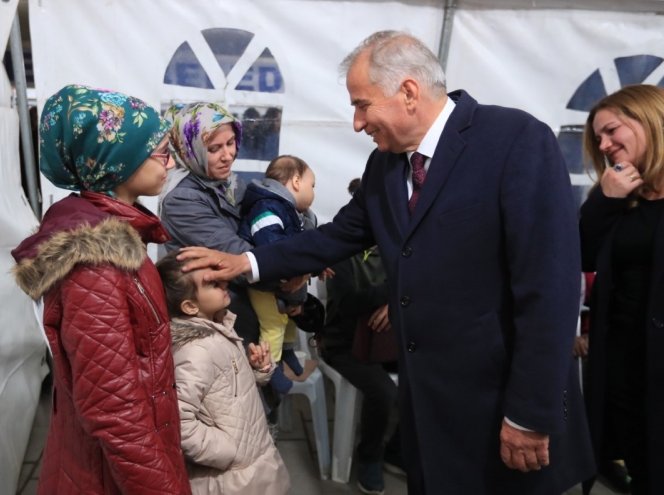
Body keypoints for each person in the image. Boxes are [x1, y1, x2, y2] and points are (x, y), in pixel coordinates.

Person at [179, 31, 595, 494]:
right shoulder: (387, 164)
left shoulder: (514, 141)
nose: (357, 123)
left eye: (362, 105)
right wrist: (249, 263)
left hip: (500, 406)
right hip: (427, 405)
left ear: (409, 92)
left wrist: (530, 412)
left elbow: (549, 287)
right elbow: (337, 236)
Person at [11, 85, 191, 495]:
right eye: (160, 150)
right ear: (118, 158)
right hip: (105, 478)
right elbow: (114, 410)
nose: (170, 161)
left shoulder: (117, 237)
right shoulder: (95, 264)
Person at [579, 84, 664, 495]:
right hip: (625, 370)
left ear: (649, 119)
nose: (605, 145)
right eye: (598, 139)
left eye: (611, 131)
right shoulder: (618, 197)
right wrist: (605, 201)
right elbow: (579, 256)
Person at [156, 252, 291, 495]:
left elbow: (230, 393)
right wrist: (228, 451)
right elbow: (178, 422)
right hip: (231, 480)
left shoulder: (220, 329)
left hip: (253, 465)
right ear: (190, 306)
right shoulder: (195, 351)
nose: (225, 283)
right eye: (214, 284)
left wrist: (258, 370)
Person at [321, 177, 402, 495]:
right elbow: (348, 304)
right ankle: (370, 456)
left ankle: (397, 452)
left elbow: (426, 292)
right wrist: (393, 293)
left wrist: (394, 305)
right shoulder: (341, 253)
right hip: (343, 344)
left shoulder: (398, 251)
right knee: (383, 392)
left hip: (385, 341)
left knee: (428, 377)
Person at [158, 102, 261, 347]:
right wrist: (289, 272)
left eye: (230, 142)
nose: (228, 155)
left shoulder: (228, 183)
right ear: (189, 150)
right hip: (213, 318)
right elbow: (234, 253)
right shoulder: (182, 200)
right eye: (214, 148)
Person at [237, 155, 318, 395]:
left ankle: (288, 350)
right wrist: (299, 265)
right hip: (263, 283)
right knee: (272, 324)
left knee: (288, 317)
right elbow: (271, 244)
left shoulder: (287, 209)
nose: (313, 192)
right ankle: (270, 370)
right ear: (296, 181)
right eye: (312, 185)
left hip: (278, 280)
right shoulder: (267, 207)